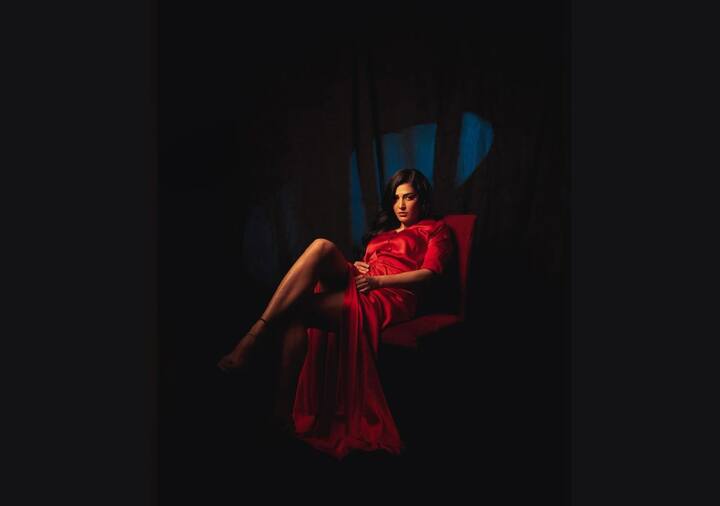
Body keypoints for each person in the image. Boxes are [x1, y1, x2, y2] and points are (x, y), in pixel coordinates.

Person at [218, 168, 455, 459]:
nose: (401, 205)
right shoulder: (383, 234)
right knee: (321, 248)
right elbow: (369, 269)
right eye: (396, 198)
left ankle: (259, 350)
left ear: (423, 200)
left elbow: (430, 274)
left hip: (391, 294)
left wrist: (379, 281)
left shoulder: (435, 229)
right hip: (365, 283)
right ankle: (279, 407)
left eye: (409, 197)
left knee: (298, 308)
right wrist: (360, 266)